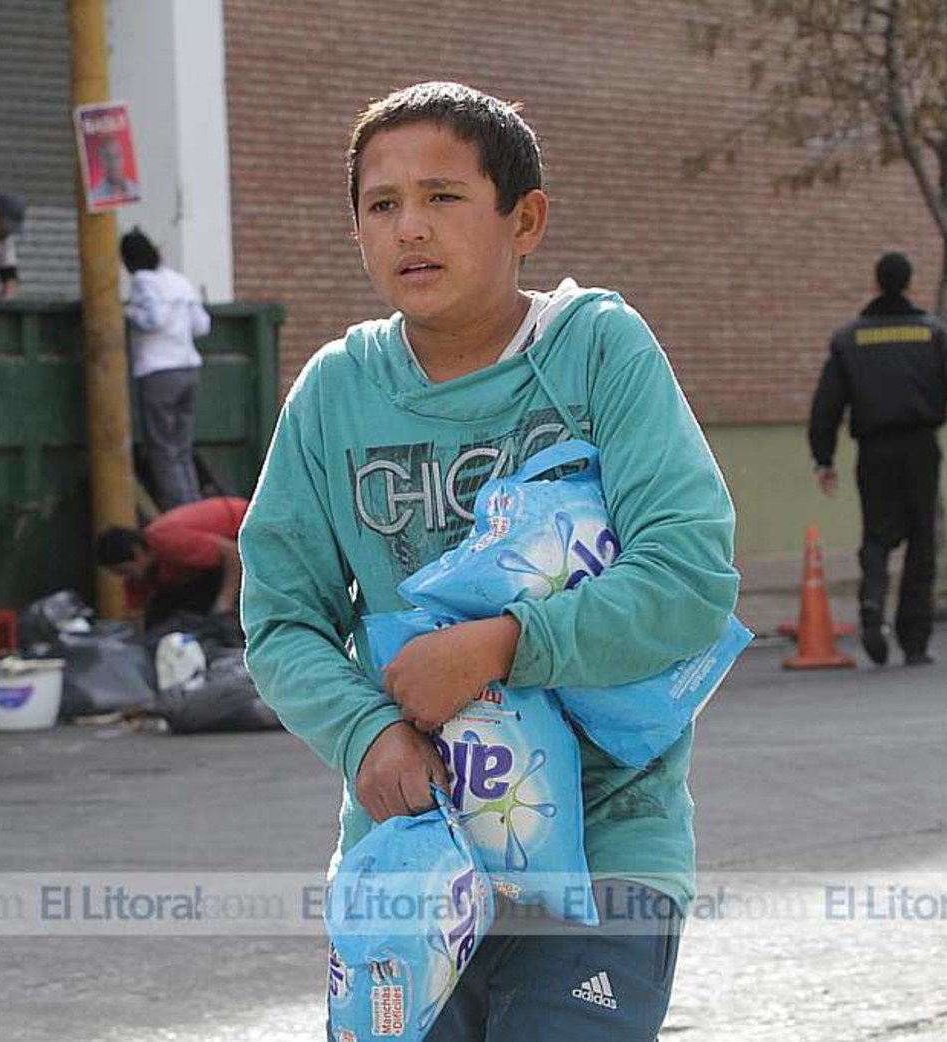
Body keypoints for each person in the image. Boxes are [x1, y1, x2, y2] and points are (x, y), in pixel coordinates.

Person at [238, 82, 737, 1040]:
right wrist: (364, 737)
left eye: (442, 197)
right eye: (381, 206)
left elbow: (688, 576)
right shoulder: (334, 392)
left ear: (525, 219)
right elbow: (280, 618)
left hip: (604, 852)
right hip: (415, 856)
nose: (408, 228)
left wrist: (503, 644)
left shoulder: (596, 351)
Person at [809, 252, 947, 666]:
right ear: (911, 284)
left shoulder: (849, 339)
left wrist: (823, 457)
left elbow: (826, 405)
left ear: (876, 283)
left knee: (878, 536)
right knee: (921, 540)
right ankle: (914, 642)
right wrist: (927, 389)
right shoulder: (933, 333)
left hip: (874, 451)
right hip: (921, 447)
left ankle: (872, 607)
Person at [122, 228, 210, 510]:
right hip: (188, 368)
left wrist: (127, 312)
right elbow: (202, 325)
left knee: (162, 448)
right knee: (182, 446)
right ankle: (194, 504)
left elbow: (152, 320)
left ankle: (180, 510)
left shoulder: (141, 281)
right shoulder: (178, 281)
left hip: (157, 370)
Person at [94, 495, 247, 628]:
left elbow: (232, 553)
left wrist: (224, 604)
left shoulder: (168, 541)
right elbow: (136, 616)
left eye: (125, 571)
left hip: (249, 532)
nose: (127, 577)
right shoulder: (139, 577)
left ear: (137, 552)